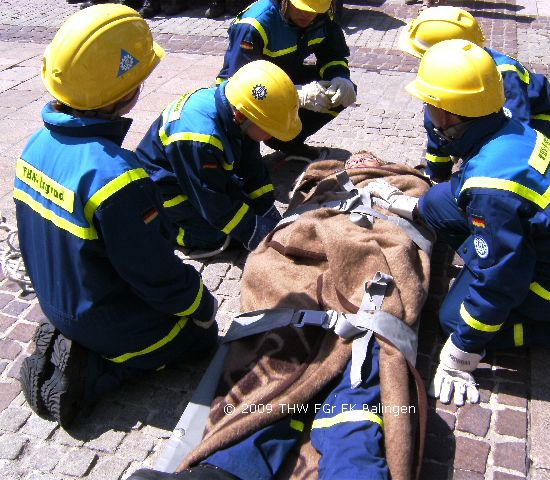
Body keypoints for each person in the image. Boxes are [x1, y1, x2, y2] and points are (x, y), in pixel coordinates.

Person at [126, 155, 433, 480]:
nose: (359, 157)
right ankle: (222, 472)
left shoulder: (403, 183)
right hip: (303, 258)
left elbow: (414, 227)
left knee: (361, 371)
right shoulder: (324, 182)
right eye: (354, 158)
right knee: (278, 363)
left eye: (367, 157)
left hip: (371, 263)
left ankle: (351, 468)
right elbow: (293, 220)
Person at [368, 39, 550, 406]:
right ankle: (488, 248)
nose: (427, 114)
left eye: (429, 106)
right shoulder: (503, 124)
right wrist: (409, 205)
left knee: (455, 320)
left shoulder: (493, 188)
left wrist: (460, 354)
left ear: (446, 114)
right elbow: (463, 190)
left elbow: (501, 280)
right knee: (435, 203)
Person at [15, 4, 219, 429]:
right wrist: (201, 303)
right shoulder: (117, 178)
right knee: (201, 339)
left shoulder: (34, 147)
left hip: (59, 300)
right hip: (104, 317)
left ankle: (72, 336)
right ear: (127, 90)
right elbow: (154, 274)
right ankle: (94, 375)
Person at [135, 60, 302, 254]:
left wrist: (265, 207)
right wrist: (254, 232)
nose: (271, 136)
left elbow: (251, 166)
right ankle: (168, 230)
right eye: (269, 129)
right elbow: (210, 198)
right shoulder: (200, 138)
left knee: (240, 210)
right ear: (241, 117)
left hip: (195, 173)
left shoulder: (238, 108)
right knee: (214, 235)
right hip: (165, 192)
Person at [398, 6, 550, 183]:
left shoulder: (503, 74)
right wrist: (436, 177)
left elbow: (512, 129)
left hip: (537, 118)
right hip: (503, 120)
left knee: (507, 163)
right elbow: (435, 129)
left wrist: (478, 172)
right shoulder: (451, 75)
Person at [215, 0, 357, 162]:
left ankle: (288, 142)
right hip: (246, 90)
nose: (308, 14)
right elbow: (239, 84)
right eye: (301, 7)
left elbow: (333, 55)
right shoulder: (254, 24)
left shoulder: (324, 16)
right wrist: (295, 95)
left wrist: (339, 77)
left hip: (284, 77)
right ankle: (240, 157)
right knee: (244, 144)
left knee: (338, 93)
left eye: (315, 9)